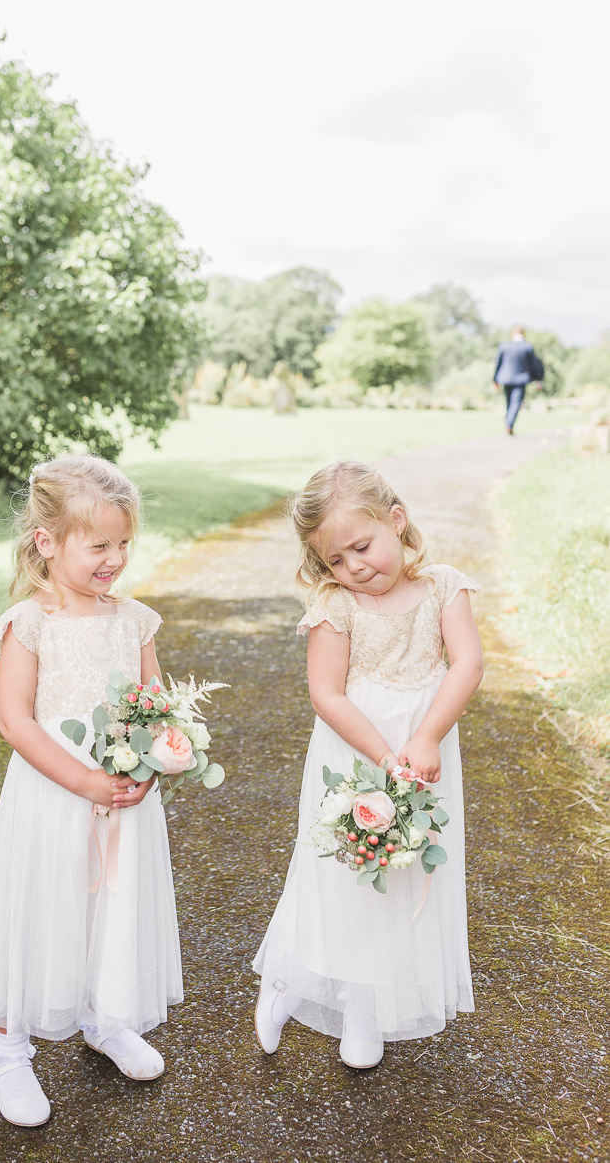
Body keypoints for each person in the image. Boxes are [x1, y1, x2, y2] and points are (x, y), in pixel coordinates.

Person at [0, 455, 182, 1127]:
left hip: (120, 797)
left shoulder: (134, 620)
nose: (114, 559)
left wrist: (154, 759)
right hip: (54, 794)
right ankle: (10, 1049)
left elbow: (155, 703)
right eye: (99, 546)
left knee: (111, 903)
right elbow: (14, 720)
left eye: (123, 544)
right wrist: (83, 777)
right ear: (48, 542)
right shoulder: (30, 623)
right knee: (44, 907)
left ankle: (104, 1015)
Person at [253, 461, 484, 1070]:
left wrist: (428, 736)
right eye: (336, 560)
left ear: (397, 520)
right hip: (356, 752)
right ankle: (306, 989)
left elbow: (466, 666)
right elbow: (327, 694)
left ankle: (370, 1003)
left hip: (426, 749)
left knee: (405, 875)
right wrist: (384, 756)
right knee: (349, 877)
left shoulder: (443, 587)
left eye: (361, 546)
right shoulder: (337, 605)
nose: (353, 566)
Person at [493, 326, 544, 434]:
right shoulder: (528, 347)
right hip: (520, 380)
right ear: (523, 334)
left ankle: (508, 424)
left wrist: (495, 380)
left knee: (509, 403)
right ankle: (509, 425)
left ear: (513, 334)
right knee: (516, 403)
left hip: (505, 379)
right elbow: (534, 365)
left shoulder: (504, 346)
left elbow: (497, 364)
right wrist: (538, 380)